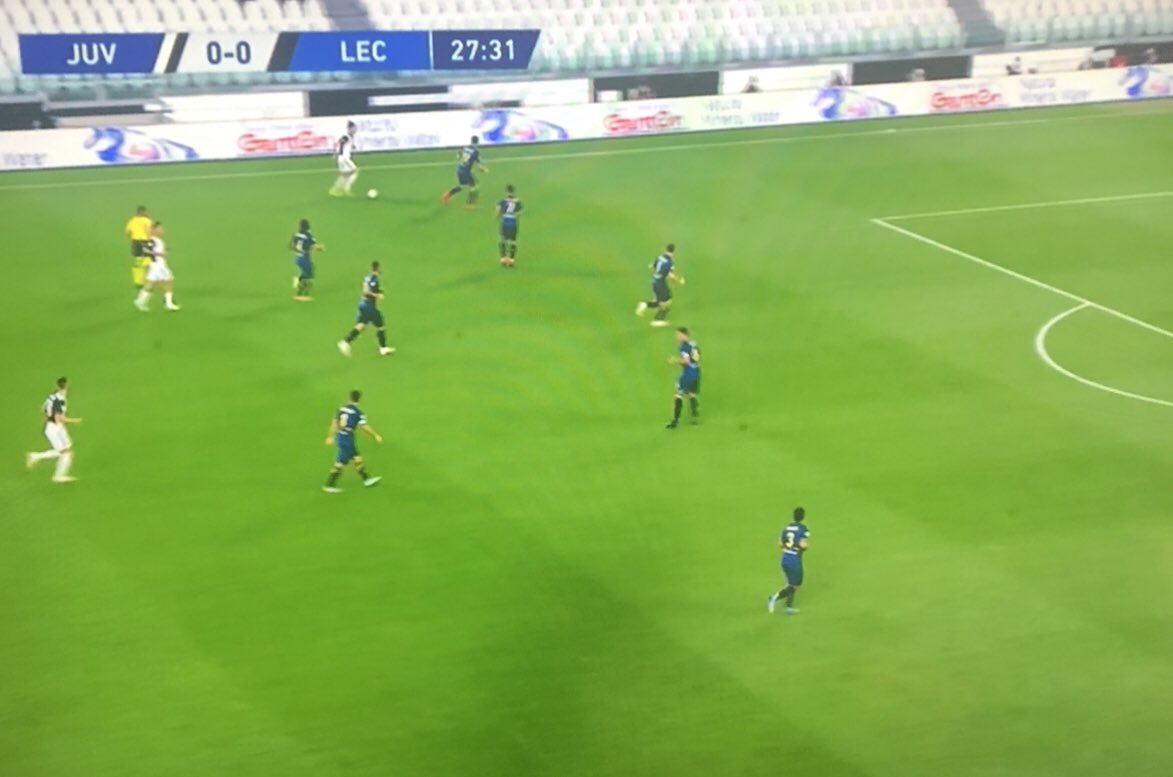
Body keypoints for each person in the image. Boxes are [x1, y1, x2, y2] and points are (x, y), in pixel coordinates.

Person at [322, 389, 383, 493]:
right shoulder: (358, 413)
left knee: (357, 458)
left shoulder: (341, 409)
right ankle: (329, 485)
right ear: (359, 399)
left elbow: (334, 423)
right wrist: (375, 435)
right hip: (347, 439)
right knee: (340, 463)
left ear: (349, 397)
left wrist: (331, 436)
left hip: (341, 436)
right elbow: (364, 426)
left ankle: (367, 480)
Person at [26, 377, 82, 483]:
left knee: (67, 450)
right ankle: (57, 475)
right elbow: (59, 418)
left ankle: (35, 457)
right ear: (67, 387)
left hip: (56, 427)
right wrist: (75, 421)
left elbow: (42, 409)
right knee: (64, 452)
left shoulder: (52, 396)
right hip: (54, 429)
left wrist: (50, 416)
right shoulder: (60, 401)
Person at [337, 261, 395, 357]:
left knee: (361, 325)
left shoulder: (367, 277)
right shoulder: (374, 279)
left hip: (363, 304)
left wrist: (379, 291)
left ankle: (345, 342)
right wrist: (377, 295)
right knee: (380, 325)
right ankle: (383, 348)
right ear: (377, 268)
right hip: (369, 306)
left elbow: (368, 288)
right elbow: (366, 291)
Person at [768, 507, 810, 615]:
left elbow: (780, 544)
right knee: (795, 586)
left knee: (790, 583)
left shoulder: (786, 528)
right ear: (803, 517)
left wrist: (788, 549)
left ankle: (788, 606)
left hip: (785, 558)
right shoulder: (803, 529)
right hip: (794, 560)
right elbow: (803, 545)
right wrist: (804, 547)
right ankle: (774, 597)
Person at [635, 243, 685, 327]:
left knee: (659, 301)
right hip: (660, 283)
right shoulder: (669, 262)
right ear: (673, 251)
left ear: (666, 249)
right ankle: (657, 320)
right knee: (667, 301)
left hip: (654, 280)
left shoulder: (660, 257)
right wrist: (679, 280)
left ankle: (644, 305)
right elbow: (670, 276)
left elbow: (652, 266)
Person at [134, 222, 180, 311]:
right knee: (168, 281)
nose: (162, 231)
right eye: (159, 229)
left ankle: (140, 301)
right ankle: (169, 304)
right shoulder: (152, 240)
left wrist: (163, 251)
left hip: (156, 265)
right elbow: (145, 250)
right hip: (158, 265)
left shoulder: (157, 240)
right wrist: (159, 254)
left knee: (151, 284)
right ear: (153, 230)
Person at [665, 327, 700, 429]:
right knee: (692, 394)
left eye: (679, 335)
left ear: (684, 335)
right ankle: (694, 417)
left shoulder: (684, 347)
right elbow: (695, 359)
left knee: (678, 395)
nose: (677, 337)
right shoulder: (694, 344)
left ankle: (675, 421)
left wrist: (675, 360)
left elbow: (687, 361)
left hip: (688, 374)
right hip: (696, 372)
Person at [442, 136, 489, 207]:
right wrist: (484, 170)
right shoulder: (476, 151)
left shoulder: (465, 148)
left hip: (459, 168)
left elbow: (458, 156)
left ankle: (446, 196)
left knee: (462, 186)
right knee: (474, 186)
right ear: (477, 142)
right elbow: (478, 165)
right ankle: (469, 204)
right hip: (466, 171)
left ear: (471, 141)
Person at [290, 218, 325, 301]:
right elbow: (313, 246)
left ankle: (299, 283)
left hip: (297, 257)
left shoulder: (296, 234)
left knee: (307, 272)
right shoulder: (308, 236)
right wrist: (320, 248)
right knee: (308, 275)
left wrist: (297, 249)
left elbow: (291, 246)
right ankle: (302, 291)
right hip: (304, 258)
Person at [125, 205, 152, 288]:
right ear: (143, 212)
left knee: (138, 261)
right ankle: (149, 280)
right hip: (145, 241)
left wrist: (132, 237)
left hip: (135, 241)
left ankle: (138, 282)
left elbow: (127, 232)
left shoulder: (132, 220)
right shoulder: (147, 220)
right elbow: (150, 232)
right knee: (148, 260)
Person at [496, 184, 523, 267]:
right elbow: (520, 212)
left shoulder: (502, 201)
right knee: (513, 241)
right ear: (513, 192)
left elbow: (497, 211)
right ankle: (511, 260)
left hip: (505, 222)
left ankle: (503, 259)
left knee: (502, 240)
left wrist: (498, 216)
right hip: (513, 222)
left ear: (506, 192)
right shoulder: (517, 202)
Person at [329, 121, 359, 197]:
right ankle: (346, 188)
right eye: (353, 128)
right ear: (350, 128)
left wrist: (351, 146)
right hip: (345, 158)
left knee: (345, 175)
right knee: (355, 171)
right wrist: (337, 153)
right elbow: (341, 144)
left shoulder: (349, 137)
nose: (355, 130)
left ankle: (334, 190)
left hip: (342, 158)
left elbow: (341, 144)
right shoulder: (346, 136)